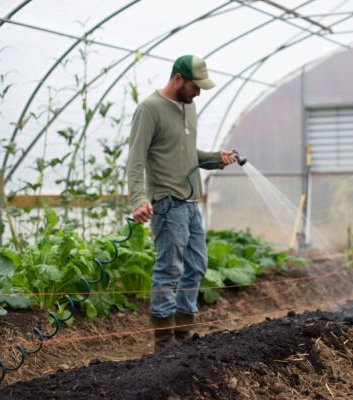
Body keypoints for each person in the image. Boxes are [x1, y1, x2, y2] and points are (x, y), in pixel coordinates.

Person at [126, 55, 237, 350]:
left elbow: (188, 155)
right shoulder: (149, 109)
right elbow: (135, 160)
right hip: (167, 202)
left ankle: (184, 333)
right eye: (195, 86)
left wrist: (216, 159)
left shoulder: (190, 107)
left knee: (197, 265)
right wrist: (138, 199)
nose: (198, 92)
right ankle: (164, 340)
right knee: (169, 268)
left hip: (190, 202)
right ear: (178, 78)